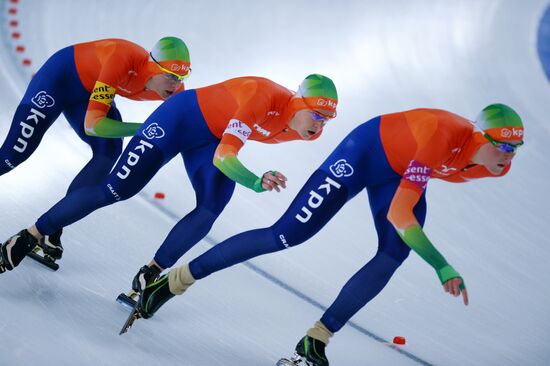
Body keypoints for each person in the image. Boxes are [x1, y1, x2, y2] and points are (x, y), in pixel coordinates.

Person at [131, 104, 523, 366]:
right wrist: (441, 265)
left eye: (516, 148)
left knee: (392, 253)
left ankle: (315, 340)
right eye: (503, 145)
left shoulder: (494, 167)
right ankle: (175, 280)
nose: (508, 156)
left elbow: (406, 198)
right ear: (480, 137)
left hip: (401, 170)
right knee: (285, 235)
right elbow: (401, 212)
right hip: (362, 154)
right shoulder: (444, 137)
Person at [0, 74, 339, 284]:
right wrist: (254, 180)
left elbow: (222, 148)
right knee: (117, 189)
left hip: (210, 137)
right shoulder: (261, 96)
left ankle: (150, 274)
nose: (319, 125)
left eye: (327, 120)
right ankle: (29, 236)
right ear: (298, 102)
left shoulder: (306, 133)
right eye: (317, 115)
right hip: (177, 120)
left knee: (211, 206)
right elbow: (225, 157)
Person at [0, 36, 191, 261]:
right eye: (170, 76)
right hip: (59, 79)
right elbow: (93, 125)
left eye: (181, 78)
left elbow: (184, 127)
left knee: (108, 153)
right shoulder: (122, 58)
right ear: (153, 67)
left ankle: (53, 226)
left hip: (88, 94)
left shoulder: (177, 93)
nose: (175, 85)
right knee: (15, 152)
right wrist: (144, 128)